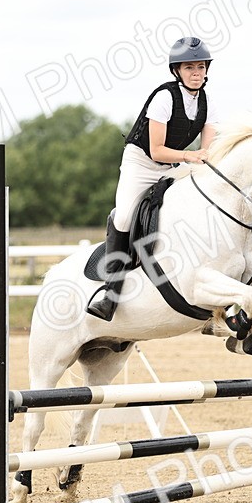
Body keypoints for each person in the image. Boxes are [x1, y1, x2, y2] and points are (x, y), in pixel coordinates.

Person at [85, 36, 220, 321]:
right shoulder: (164, 97)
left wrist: (204, 157)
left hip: (174, 164)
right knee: (123, 217)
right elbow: (157, 149)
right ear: (177, 71)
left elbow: (208, 149)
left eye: (200, 67)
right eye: (189, 68)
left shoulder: (208, 102)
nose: (196, 73)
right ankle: (110, 293)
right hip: (142, 162)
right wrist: (191, 157)